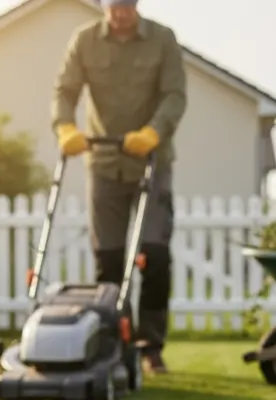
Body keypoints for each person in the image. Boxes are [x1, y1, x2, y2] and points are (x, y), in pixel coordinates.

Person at [51, 0, 187, 374]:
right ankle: (115, 343)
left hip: (151, 160)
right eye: (114, 4)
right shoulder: (84, 41)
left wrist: (154, 131)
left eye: (127, 4)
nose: (120, 12)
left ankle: (150, 345)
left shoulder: (162, 39)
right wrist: (65, 127)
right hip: (103, 162)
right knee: (108, 261)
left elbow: (175, 95)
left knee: (154, 256)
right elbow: (65, 91)